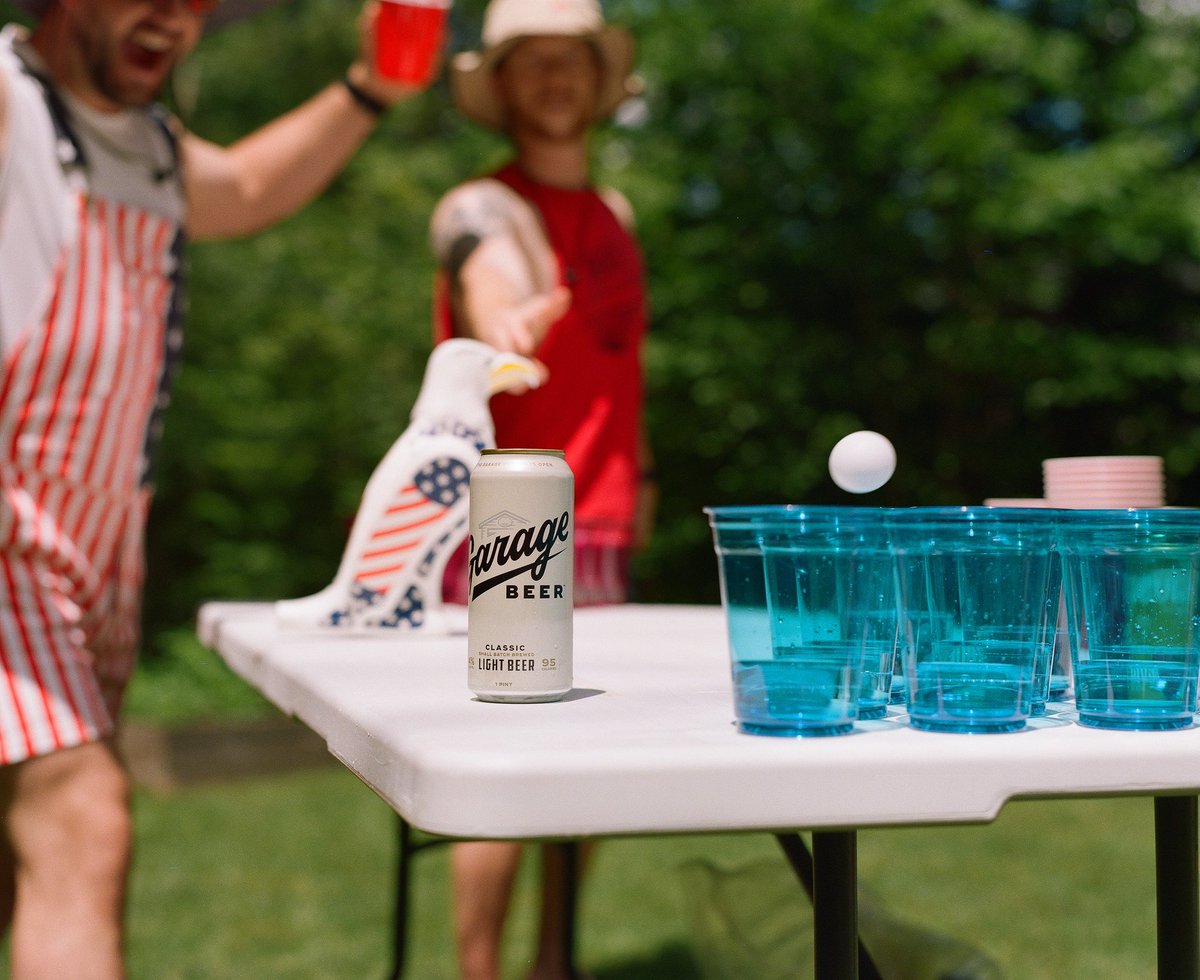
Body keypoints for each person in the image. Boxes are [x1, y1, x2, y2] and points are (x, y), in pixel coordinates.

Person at [0, 0, 426, 974]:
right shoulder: (9, 101)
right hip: (8, 532)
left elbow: (248, 184)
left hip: (100, 548)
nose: (175, 19)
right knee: (81, 813)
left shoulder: (149, 145)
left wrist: (371, 89)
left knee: (22, 849)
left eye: (194, 2)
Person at [429, 1, 654, 977]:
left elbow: (621, 366)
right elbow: (493, 277)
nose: (557, 78)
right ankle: (479, 972)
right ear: (504, 86)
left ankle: (553, 962)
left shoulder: (618, 215)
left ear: (599, 83)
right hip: (506, 522)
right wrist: (507, 319)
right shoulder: (477, 205)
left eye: (574, 60)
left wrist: (641, 474)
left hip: (601, 516)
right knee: (501, 767)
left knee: (586, 761)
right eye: (534, 62)